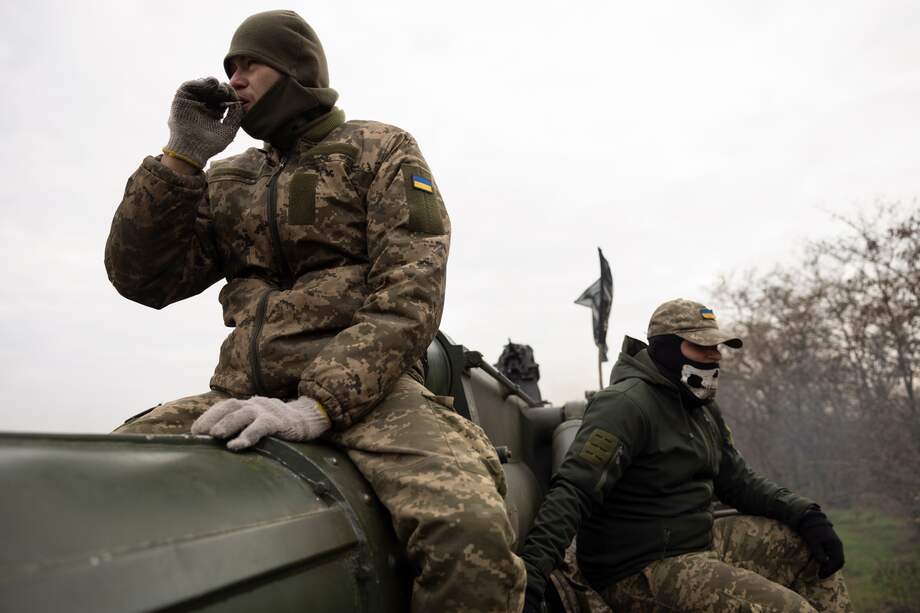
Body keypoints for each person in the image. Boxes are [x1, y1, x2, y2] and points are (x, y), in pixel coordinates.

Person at [104, 10, 524, 612]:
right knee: (113, 472)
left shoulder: (379, 149)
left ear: (296, 70)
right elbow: (142, 277)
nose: (235, 78)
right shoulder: (228, 178)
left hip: (373, 396)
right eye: (229, 67)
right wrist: (181, 159)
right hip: (242, 394)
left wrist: (318, 405)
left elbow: (411, 289)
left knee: (470, 534)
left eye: (249, 63)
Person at [520, 299, 852, 612]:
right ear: (665, 348)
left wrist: (805, 514)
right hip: (640, 569)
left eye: (716, 347)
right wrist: (531, 577)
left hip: (696, 544)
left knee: (806, 550)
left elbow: (738, 481)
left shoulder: (701, 408)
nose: (714, 356)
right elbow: (573, 491)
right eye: (701, 346)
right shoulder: (626, 405)